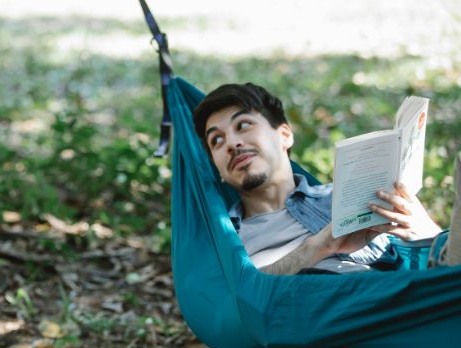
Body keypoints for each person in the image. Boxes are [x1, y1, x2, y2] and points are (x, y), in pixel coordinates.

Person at [192, 82, 460, 275]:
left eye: (243, 125)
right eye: (217, 140)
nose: (232, 143)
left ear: (284, 135)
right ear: (218, 170)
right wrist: (318, 248)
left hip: (407, 304)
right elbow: (241, 297)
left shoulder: (351, 196)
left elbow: (432, 265)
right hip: (325, 325)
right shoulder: (228, 239)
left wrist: (424, 230)